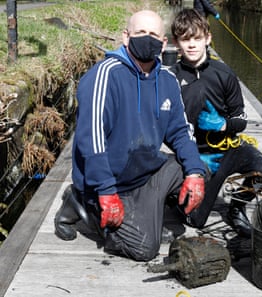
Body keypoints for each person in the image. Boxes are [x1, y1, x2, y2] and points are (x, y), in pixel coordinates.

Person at [54, 10, 207, 262]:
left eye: (154, 34)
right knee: (145, 249)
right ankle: (80, 202)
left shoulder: (167, 79)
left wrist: (195, 173)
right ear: (126, 37)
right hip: (111, 182)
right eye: (140, 33)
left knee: (199, 169)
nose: (148, 39)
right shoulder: (105, 75)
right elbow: (90, 141)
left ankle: (148, 213)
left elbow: (181, 131)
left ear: (164, 43)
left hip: (144, 170)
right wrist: (105, 190)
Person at [170, 9, 262, 237]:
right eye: (185, 39)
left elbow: (241, 119)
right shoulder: (171, 77)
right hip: (194, 156)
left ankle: (236, 207)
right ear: (176, 43)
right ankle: (174, 197)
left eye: (197, 38)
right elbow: (165, 128)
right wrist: (191, 158)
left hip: (227, 148)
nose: (192, 45)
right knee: (196, 220)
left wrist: (223, 125)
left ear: (208, 38)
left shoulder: (224, 73)